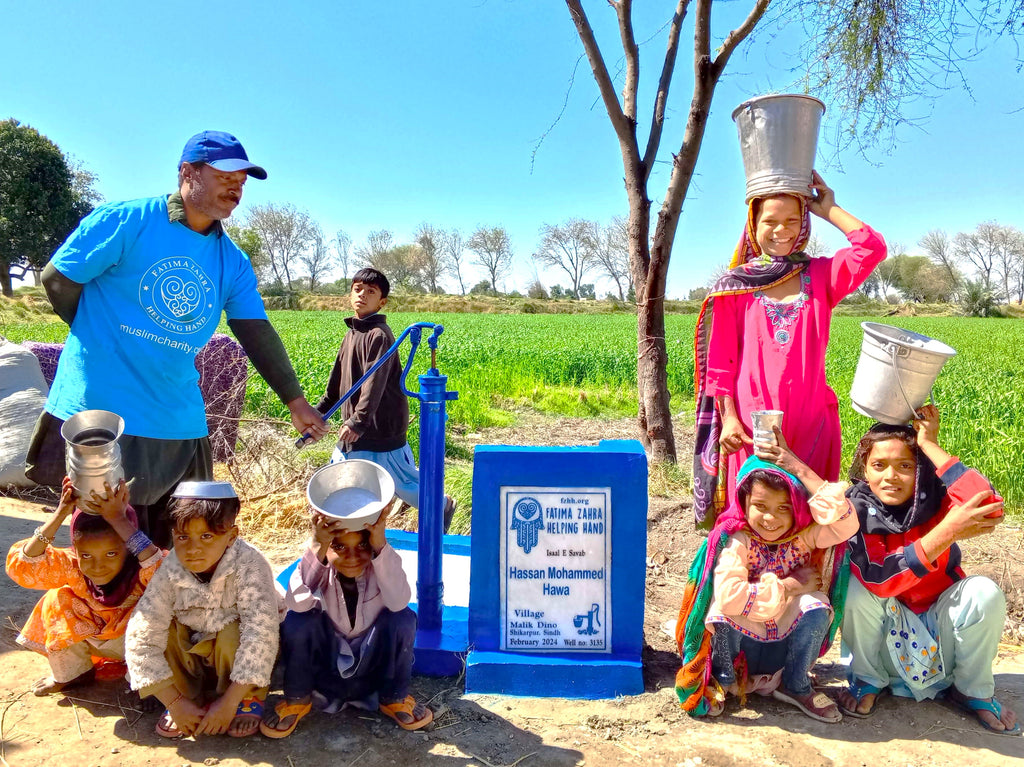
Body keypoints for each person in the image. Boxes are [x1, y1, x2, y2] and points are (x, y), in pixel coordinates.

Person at [26, 130, 328, 548]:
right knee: (106, 549)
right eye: (225, 174)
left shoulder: (231, 261)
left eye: (242, 179)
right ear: (187, 172)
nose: (236, 185)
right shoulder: (128, 221)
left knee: (174, 552)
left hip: (176, 421)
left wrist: (296, 401)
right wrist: (95, 332)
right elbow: (58, 278)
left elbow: (255, 330)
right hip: (104, 410)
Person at [692, 171, 887, 527]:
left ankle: (808, 582)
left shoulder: (822, 276)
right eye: (770, 221)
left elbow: (872, 249)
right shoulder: (736, 285)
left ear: (804, 224)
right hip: (754, 427)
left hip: (811, 420)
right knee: (756, 514)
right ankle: (747, 583)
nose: (781, 230)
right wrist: (730, 417)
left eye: (792, 220)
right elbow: (720, 360)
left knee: (809, 514)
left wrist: (829, 209)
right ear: (753, 223)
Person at [838, 405, 1018, 735]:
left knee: (984, 592)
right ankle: (867, 680)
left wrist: (930, 444)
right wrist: (947, 532)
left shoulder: (935, 499)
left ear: (920, 469)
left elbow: (988, 504)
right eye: (879, 465)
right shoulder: (855, 510)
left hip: (941, 639)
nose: (890, 476)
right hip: (884, 644)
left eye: (906, 465)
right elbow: (879, 580)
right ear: (864, 470)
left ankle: (970, 690)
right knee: (853, 589)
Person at [675, 438, 858, 722]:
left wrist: (799, 469)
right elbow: (730, 597)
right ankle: (725, 680)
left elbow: (846, 524)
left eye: (784, 508)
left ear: (797, 507)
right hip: (741, 650)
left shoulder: (804, 535)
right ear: (743, 501)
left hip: (781, 651)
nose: (771, 518)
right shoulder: (738, 539)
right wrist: (789, 586)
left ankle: (796, 684)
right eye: (760, 505)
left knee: (817, 605)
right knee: (721, 608)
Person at [261, 503, 432, 737]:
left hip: (373, 670)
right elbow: (297, 603)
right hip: (326, 672)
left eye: (362, 545)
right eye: (339, 546)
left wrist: (380, 544)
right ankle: (297, 699)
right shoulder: (319, 567)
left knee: (403, 618)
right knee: (297, 621)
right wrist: (317, 546)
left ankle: (394, 698)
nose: (351, 557)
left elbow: (399, 602)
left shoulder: (381, 565)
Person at [125, 481, 279, 739]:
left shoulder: (250, 564)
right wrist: (174, 702)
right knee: (165, 630)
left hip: (232, 657)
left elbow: (260, 635)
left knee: (234, 632)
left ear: (231, 536)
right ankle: (188, 700)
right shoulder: (171, 569)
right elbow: (142, 633)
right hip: (194, 656)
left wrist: (229, 703)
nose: (193, 548)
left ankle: (246, 699)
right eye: (183, 537)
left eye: (207, 536)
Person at [316, 268, 455, 530]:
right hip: (360, 427)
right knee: (349, 476)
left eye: (371, 292)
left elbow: (374, 382)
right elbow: (336, 384)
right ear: (350, 294)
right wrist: (318, 413)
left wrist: (358, 421)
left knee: (400, 483)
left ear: (382, 302)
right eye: (357, 289)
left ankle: (441, 505)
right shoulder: (351, 334)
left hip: (380, 427)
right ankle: (357, 533)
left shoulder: (379, 335)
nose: (362, 295)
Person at [5, 477, 162, 696]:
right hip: (95, 638)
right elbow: (23, 567)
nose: (98, 566)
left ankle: (148, 684)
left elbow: (164, 573)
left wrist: (118, 520)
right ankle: (75, 673)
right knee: (57, 598)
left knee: (158, 609)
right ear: (75, 550)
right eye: (86, 555)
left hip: (138, 644)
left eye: (111, 554)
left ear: (128, 550)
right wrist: (61, 513)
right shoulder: (72, 565)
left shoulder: (143, 566)